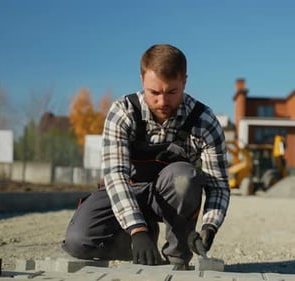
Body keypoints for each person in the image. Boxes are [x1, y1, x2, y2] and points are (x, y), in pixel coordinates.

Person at [62, 44, 230, 269]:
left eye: (172, 92)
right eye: (155, 93)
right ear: (142, 79)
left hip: (169, 199)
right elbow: (116, 176)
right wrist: (137, 231)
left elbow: (218, 186)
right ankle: (139, 245)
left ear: (185, 82)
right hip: (125, 191)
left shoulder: (204, 121)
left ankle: (176, 261)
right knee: (78, 242)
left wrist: (210, 226)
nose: (163, 102)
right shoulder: (123, 113)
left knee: (184, 177)